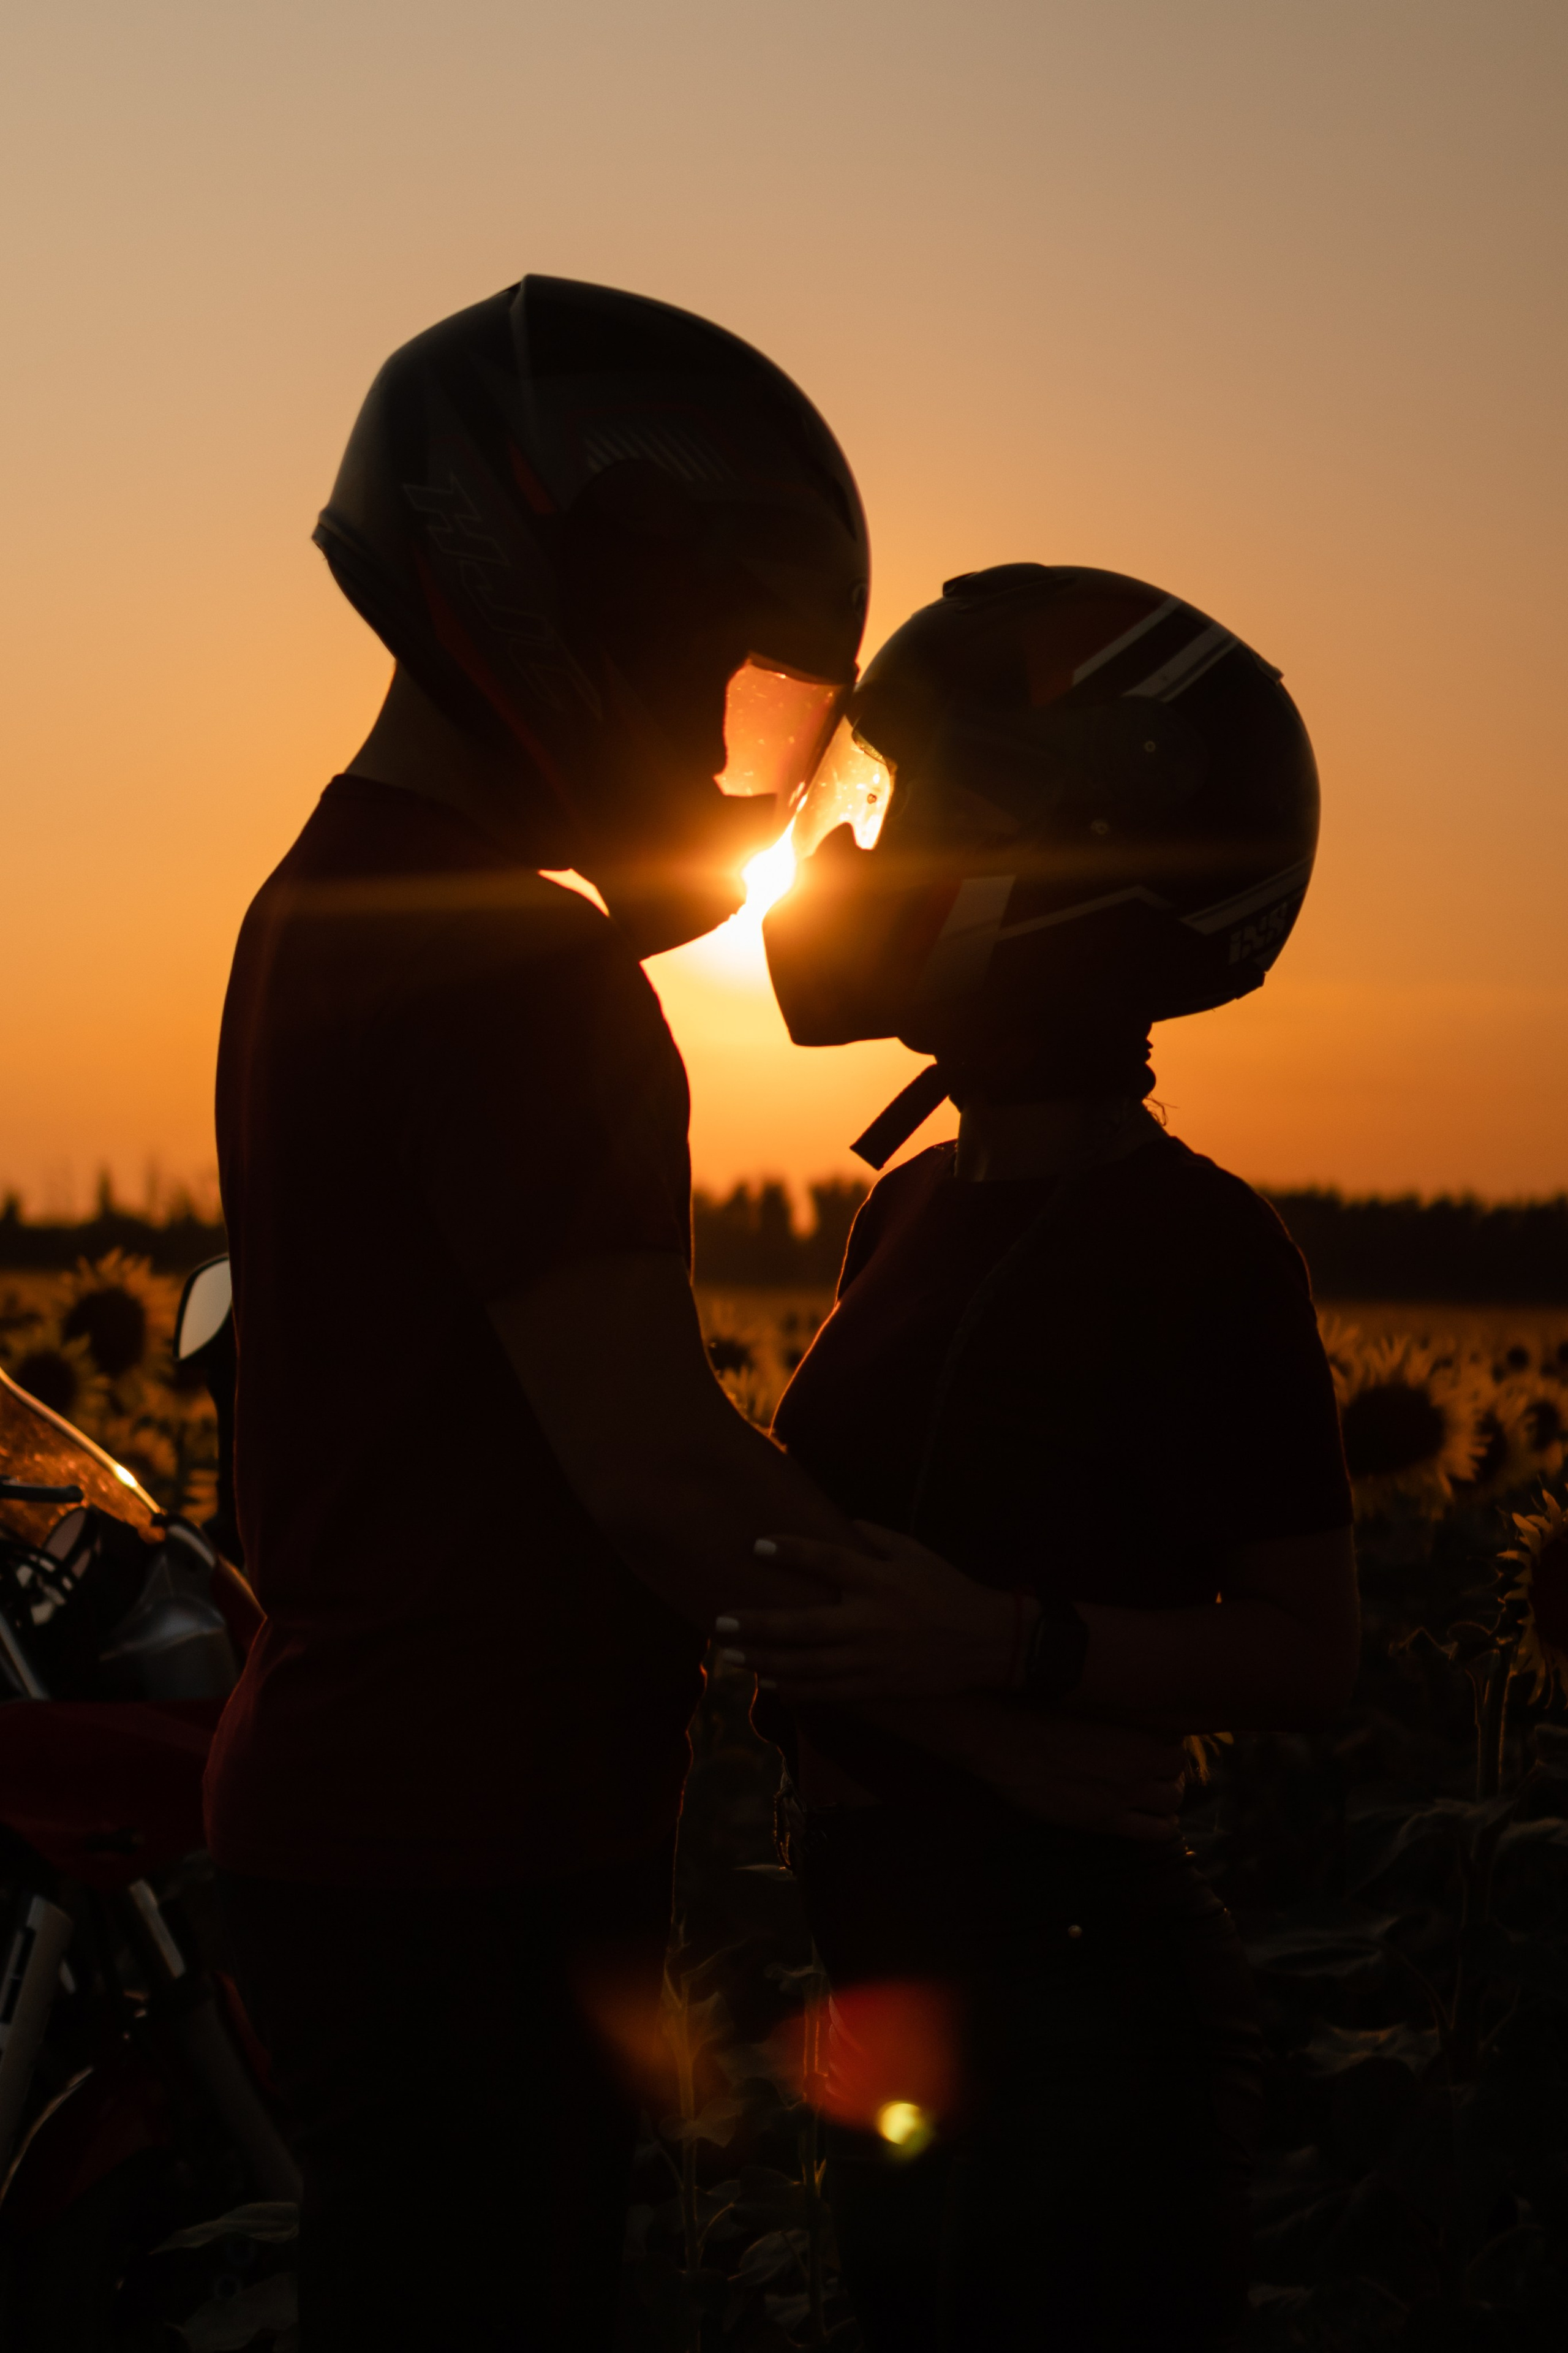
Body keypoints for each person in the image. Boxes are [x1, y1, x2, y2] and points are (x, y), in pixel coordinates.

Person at [206, 299, 1188, 2351]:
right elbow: (655, 1466)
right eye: (705, 680)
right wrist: (988, 1699)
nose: (711, 755)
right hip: (470, 1845)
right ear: (550, 602)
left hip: (329, 1810)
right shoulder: (518, 974)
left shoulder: (321, 900)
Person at [714, 564, 1360, 2351]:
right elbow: (829, 1598)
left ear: (1075, 865)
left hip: (1081, 2016)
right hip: (892, 1988)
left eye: (921, 811)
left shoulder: (1201, 1249)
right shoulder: (909, 1212)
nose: (857, 852)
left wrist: (1015, 1644)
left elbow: (1308, 1651)